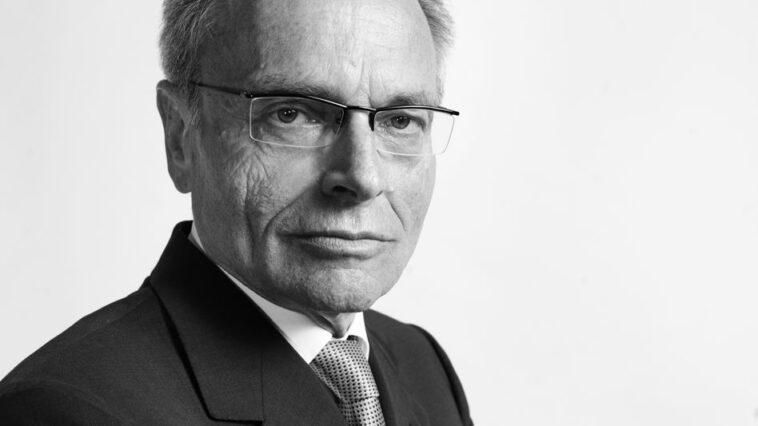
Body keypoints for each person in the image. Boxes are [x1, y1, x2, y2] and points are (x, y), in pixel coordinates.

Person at [0, 0, 472, 424]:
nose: (362, 177)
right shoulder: (65, 410)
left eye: (400, 120)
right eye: (292, 113)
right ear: (180, 136)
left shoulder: (422, 366)